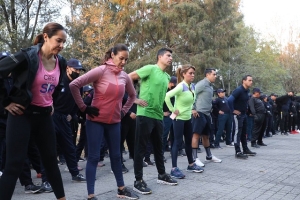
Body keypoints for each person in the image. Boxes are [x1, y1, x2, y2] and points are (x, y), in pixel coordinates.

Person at [0, 22, 67, 200]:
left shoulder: (61, 61)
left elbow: (56, 86)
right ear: (46, 37)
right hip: (22, 116)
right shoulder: (27, 56)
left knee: (52, 162)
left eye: (63, 42)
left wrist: (51, 101)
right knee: (14, 164)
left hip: (44, 116)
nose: (61, 45)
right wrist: (5, 102)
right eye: (58, 40)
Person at [70, 43, 138, 200]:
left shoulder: (124, 76)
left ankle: (121, 189)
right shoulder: (101, 71)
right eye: (121, 58)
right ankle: (91, 195)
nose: (123, 62)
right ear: (112, 55)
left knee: (116, 156)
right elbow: (74, 85)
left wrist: (123, 111)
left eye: (126, 59)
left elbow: (133, 96)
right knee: (93, 157)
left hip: (114, 122)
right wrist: (83, 108)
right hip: (96, 121)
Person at [128, 47, 178, 195]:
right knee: (140, 148)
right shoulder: (150, 69)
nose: (170, 58)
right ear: (160, 57)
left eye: (171, 56)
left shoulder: (167, 77)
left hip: (158, 116)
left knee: (158, 147)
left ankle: (162, 175)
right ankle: (138, 181)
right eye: (168, 55)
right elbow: (127, 78)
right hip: (145, 114)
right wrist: (134, 99)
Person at [165, 64, 203, 179]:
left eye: (193, 73)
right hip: (178, 119)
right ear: (184, 74)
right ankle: (174, 169)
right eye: (190, 73)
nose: (193, 75)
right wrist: (172, 110)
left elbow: (190, 101)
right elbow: (167, 96)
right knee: (177, 143)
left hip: (187, 118)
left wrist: (191, 109)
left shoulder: (192, 86)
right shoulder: (181, 86)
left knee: (188, 142)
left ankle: (191, 164)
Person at [52, 58, 86, 180]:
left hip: (65, 118)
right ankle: (47, 178)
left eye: (79, 70)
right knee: (50, 147)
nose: (77, 72)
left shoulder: (78, 85)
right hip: (53, 116)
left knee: (70, 147)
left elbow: (78, 101)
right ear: (67, 68)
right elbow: (49, 96)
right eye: (75, 69)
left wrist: (72, 114)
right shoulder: (58, 80)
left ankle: (75, 173)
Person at [191, 68, 222, 168]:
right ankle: (195, 158)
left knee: (206, 136)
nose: (215, 76)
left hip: (207, 114)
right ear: (207, 75)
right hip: (199, 113)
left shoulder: (210, 86)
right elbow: (191, 94)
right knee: (196, 135)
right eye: (214, 74)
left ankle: (209, 156)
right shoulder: (202, 84)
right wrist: (192, 108)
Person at [227, 75, 256, 159]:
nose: (251, 82)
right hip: (238, 115)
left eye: (252, 80)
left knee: (244, 132)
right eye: (249, 80)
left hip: (244, 114)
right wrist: (233, 110)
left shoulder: (247, 91)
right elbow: (229, 100)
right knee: (237, 133)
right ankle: (238, 151)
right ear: (244, 81)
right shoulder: (238, 90)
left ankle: (245, 149)